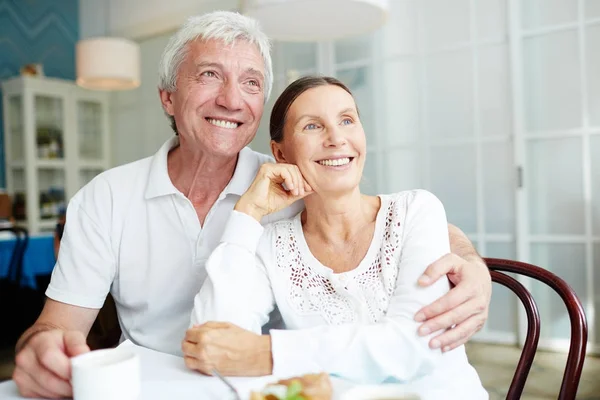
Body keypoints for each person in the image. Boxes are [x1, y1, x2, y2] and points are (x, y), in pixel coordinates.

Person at [12, 11, 491, 399]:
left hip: (264, 386)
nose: (231, 100)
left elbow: (380, 215)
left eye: (251, 82)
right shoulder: (106, 196)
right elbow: (54, 326)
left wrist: (472, 261)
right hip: (151, 385)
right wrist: (39, 351)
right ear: (167, 97)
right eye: (209, 75)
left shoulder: (299, 178)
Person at [183, 76, 488, 399]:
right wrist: (248, 212)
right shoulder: (272, 244)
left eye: (346, 120)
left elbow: (415, 344)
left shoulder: (415, 211)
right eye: (313, 126)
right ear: (281, 154)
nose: (337, 138)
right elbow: (211, 343)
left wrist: (267, 352)